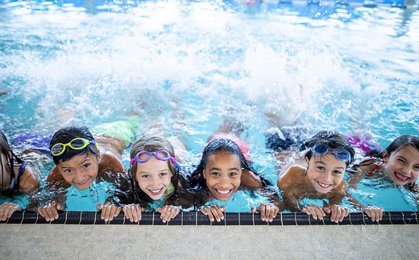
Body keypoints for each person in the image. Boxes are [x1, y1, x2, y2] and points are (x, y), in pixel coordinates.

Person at [37, 115, 138, 222]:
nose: (79, 177)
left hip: (119, 132)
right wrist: (52, 204)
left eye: (86, 165)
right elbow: (42, 200)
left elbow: (128, 194)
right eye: (68, 170)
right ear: (58, 168)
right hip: (93, 134)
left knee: (133, 118)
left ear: (98, 156)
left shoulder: (111, 164)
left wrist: (114, 202)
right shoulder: (55, 175)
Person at [277, 131, 384, 223]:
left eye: (337, 171)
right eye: (320, 168)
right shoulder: (288, 180)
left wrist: (366, 210)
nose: (327, 179)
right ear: (307, 161)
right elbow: (288, 205)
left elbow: (335, 206)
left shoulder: (339, 187)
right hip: (282, 144)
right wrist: (302, 210)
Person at [189, 138, 279, 223]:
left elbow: (277, 201)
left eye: (232, 174)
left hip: (242, 148)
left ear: (240, 173)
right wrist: (203, 209)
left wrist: (269, 208)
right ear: (204, 173)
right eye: (215, 173)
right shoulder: (197, 185)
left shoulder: (251, 180)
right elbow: (183, 205)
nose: (224, 184)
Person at [123, 135, 203, 223]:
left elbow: (200, 201)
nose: (155, 183)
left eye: (162, 174)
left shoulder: (187, 183)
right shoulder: (128, 186)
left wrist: (178, 207)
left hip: (180, 151)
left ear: (172, 172)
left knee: (177, 140)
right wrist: (125, 206)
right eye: (145, 176)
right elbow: (116, 199)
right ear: (135, 176)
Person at [349, 135, 419, 191]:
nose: (407, 171)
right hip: (357, 147)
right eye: (401, 160)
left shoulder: (410, 184)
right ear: (386, 156)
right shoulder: (369, 167)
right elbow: (349, 190)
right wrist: (363, 208)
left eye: (417, 167)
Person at [0, 130, 41, 221]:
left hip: (37, 146)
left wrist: (20, 210)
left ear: (7, 157)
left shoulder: (29, 181)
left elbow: (36, 209)